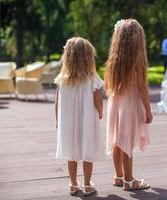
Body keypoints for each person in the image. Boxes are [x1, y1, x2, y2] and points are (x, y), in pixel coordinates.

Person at [104, 19, 152, 191]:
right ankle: (130, 180)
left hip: (115, 102)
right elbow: (142, 88)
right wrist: (148, 110)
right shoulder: (137, 61)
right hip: (129, 103)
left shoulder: (114, 59)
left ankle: (118, 176)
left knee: (117, 141)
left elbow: (107, 85)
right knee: (127, 142)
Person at [54, 37, 104, 196]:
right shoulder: (91, 79)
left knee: (71, 152)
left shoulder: (62, 80)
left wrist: (57, 120)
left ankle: (73, 183)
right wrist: (100, 111)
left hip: (68, 123)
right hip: (87, 121)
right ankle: (88, 184)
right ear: (88, 57)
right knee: (87, 150)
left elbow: (57, 101)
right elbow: (98, 98)